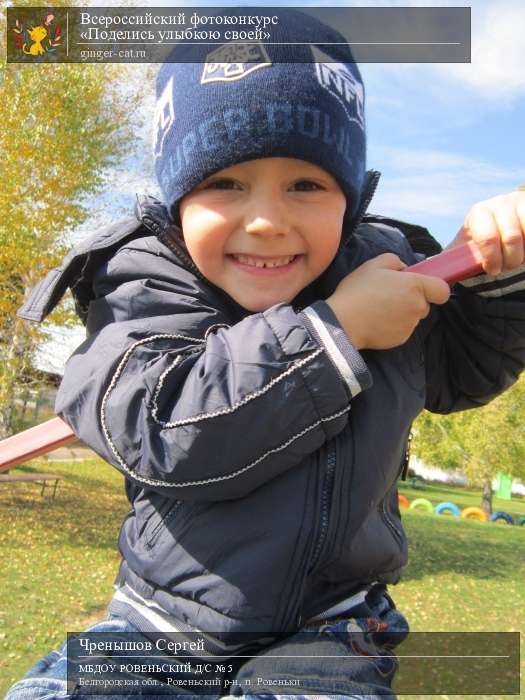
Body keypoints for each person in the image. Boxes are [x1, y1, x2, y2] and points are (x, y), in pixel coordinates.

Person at [6, 8, 525, 700]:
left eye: (306, 185)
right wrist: (332, 335)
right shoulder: (141, 282)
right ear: (179, 196)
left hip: (333, 631)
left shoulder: (390, 269)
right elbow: (161, 433)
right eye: (225, 183)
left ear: (351, 196)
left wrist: (501, 274)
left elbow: (462, 372)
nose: (266, 220)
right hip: (162, 625)